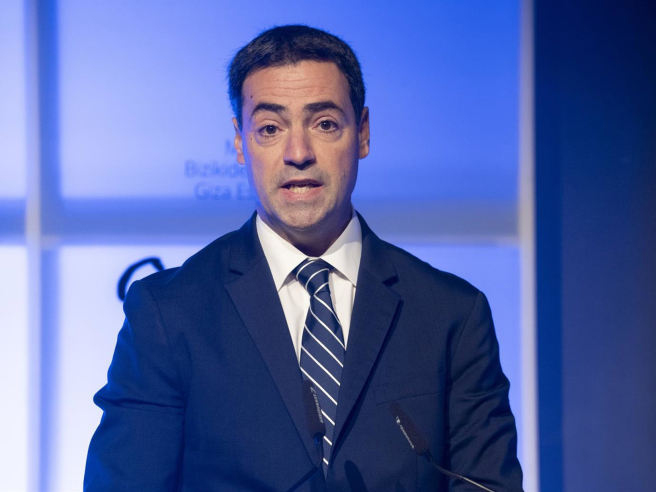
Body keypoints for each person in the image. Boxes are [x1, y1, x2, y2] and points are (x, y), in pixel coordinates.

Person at [84, 25, 523, 491]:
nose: (298, 153)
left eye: (325, 124)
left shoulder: (451, 314)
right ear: (240, 142)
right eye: (270, 129)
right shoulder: (169, 314)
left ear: (363, 133)